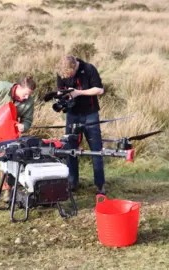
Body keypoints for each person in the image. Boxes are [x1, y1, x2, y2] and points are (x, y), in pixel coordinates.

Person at [0, 74, 36, 201]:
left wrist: (23, 126)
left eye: (29, 95)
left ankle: (7, 191)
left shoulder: (29, 101)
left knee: (7, 158)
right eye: (25, 94)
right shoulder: (2, 87)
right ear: (19, 87)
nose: (27, 97)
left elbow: (28, 120)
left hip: (8, 132)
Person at [56, 56, 106, 194]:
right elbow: (60, 89)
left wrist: (79, 93)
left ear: (74, 66)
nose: (67, 77)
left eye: (69, 74)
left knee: (96, 149)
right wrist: (63, 95)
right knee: (70, 149)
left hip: (90, 113)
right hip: (72, 114)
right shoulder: (61, 72)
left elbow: (99, 90)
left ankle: (100, 184)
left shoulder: (89, 69)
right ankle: (72, 182)